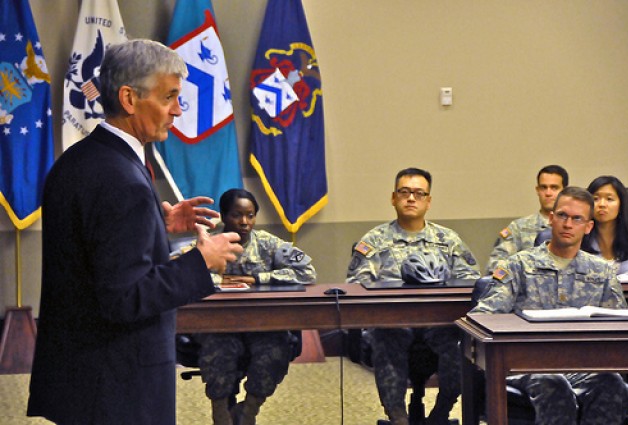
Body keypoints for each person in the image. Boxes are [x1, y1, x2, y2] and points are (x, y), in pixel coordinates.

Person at [27, 39, 243, 425]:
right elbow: (123, 298)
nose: (178, 110)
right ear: (129, 98)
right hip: (118, 387)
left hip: (82, 379)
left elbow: (90, 255)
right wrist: (201, 262)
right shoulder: (121, 179)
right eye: (169, 97)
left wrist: (157, 225)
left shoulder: (80, 159)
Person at [472, 186, 628, 424]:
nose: (568, 224)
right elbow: (484, 316)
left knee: (611, 381)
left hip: (581, 363)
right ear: (551, 218)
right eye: (563, 216)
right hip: (524, 364)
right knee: (552, 383)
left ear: (588, 227)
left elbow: (621, 323)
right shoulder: (519, 265)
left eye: (577, 218)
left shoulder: (602, 271)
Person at [346, 167, 481, 425]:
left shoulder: (448, 240)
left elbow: (471, 282)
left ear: (428, 201)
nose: (411, 198)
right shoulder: (374, 240)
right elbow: (356, 283)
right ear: (393, 198)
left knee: (461, 346)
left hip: (440, 325)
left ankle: (440, 414)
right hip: (393, 324)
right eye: (405, 192)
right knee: (386, 338)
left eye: (419, 193)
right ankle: (398, 417)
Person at [196, 189, 317, 425]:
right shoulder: (208, 242)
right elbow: (179, 271)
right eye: (236, 215)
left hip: (261, 324)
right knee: (221, 350)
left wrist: (258, 278)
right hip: (217, 325)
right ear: (223, 215)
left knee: (275, 348)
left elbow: (307, 272)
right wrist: (219, 280)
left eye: (250, 215)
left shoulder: (268, 243)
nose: (244, 222)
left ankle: (248, 411)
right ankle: (220, 412)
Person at [485, 165, 569, 273]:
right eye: (543, 187)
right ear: (537, 190)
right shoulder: (519, 228)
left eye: (554, 188)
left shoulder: (574, 227)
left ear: (565, 191)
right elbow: (495, 266)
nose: (548, 193)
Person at [582, 175, 628, 273]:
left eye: (609, 199)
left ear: (621, 204)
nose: (602, 204)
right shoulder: (580, 238)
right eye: (596, 199)